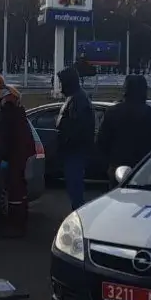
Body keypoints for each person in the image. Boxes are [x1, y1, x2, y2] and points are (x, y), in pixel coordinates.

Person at [0, 73, 35, 237]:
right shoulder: (7, 102)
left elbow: (3, 133)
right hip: (17, 152)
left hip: (15, 154)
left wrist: (0, 154)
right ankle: (18, 223)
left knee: (15, 189)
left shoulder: (7, 105)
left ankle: (17, 226)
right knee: (16, 188)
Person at [97, 74, 151, 187]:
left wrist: (108, 165)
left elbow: (101, 141)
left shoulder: (112, 113)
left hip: (118, 169)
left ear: (125, 89)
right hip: (146, 170)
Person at [56, 66, 96, 210]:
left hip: (75, 152)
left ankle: (78, 213)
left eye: (61, 82)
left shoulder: (78, 100)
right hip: (73, 151)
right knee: (73, 186)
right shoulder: (75, 98)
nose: (59, 86)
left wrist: (66, 143)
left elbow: (78, 129)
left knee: (75, 187)